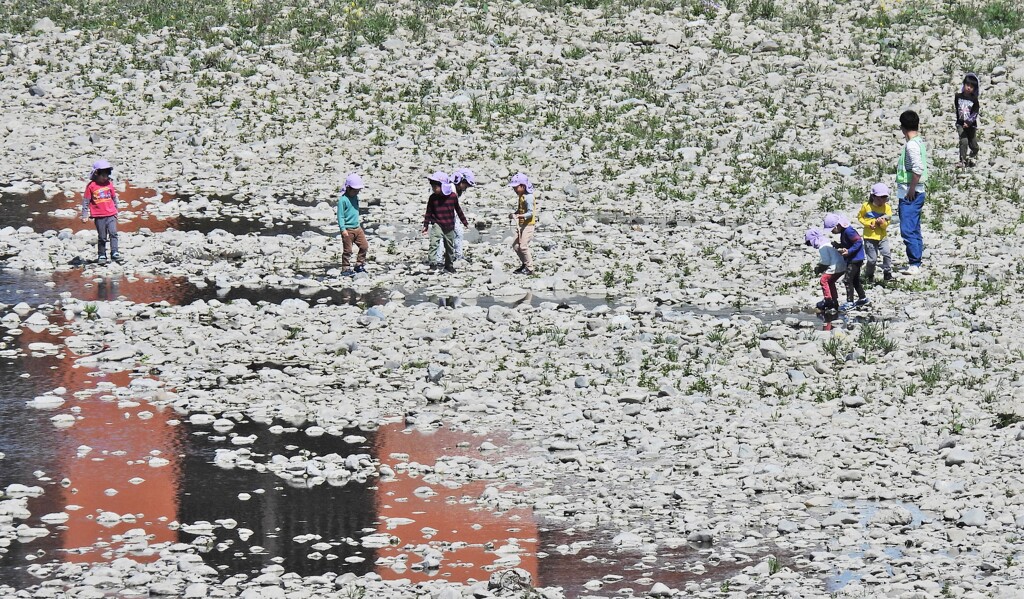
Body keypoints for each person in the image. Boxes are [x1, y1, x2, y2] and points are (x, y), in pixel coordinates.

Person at [896, 110, 928, 276]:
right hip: (916, 191)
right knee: (914, 228)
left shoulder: (911, 145)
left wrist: (911, 190)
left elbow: (917, 170)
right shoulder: (918, 142)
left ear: (903, 127)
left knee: (908, 229)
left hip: (911, 193)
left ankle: (914, 263)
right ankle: (916, 261)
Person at [422, 171, 466, 273]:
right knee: (434, 243)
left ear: (443, 186)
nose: (433, 189)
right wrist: (426, 225)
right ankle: (433, 263)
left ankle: (449, 265)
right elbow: (428, 212)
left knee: (449, 246)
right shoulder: (433, 198)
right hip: (437, 224)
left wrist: (464, 221)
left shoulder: (452, 197)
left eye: (435, 186)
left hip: (449, 225)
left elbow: (458, 209)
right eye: (432, 187)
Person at [80, 159, 121, 264]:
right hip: (99, 216)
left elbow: (114, 198)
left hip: (111, 214)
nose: (105, 178)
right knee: (102, 237)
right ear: (96, 174)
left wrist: (116, 211)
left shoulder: (109, 184)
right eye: (103, 175)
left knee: (113, 233)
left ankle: (114, 252)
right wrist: (84, 214)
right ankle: (102, 254)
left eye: (107, 175)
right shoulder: (91, 186)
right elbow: (86, 201)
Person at [825, 212, 868, 310]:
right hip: (853, 258)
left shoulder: (849, 231)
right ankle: (862, 298)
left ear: (837, 226)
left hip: (855, 259)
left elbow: (858, 242)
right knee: (855, 280)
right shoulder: (844, 232)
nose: (832, 232)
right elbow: (848, 243)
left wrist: (849, 251)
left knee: (847, 279)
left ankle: (850, 302)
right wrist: (839, 246)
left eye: (832, 229)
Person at [434, 168, 475, 264]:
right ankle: (439, 259)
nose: (466, 188)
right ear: (460, 180)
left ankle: (458, 255)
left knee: (458, 233)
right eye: (466, 185)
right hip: (445, 217)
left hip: (452, 216)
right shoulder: (449, 189)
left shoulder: (454, 189)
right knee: (441, 237)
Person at [857, 183, 894, 286]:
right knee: (872, 259)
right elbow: (860, 217)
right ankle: (869, 275)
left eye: (885, 198)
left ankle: (887, 273)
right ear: (873, 196)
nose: (882, 200)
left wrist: (882, 224)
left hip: (882, 236)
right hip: (869, 237)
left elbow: (887, 222)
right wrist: (869, 224)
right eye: (880, 198)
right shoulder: (866, 206)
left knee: (886, 254)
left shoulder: (887, 208)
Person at [805, 228, 845, 313]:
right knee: (830, 282)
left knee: (823, 280)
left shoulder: (823, 247)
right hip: (842, 266)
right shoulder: (827, 243)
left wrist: (819, 268)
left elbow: (826, 261)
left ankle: (828, 300)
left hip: (835, 266)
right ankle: (835, 300)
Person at [337, 173, 368, 276]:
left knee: (364, 246)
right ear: (349, 188)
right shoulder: (343, 200)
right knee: (348, 250)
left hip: (357, 228)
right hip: (348, 229)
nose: (357, 192)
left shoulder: (356, 198)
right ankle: (345, 268)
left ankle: (359, 264)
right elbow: (340, 216)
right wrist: (343, 229)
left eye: (358, 190)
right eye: (355, 190)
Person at [508, 173, 537, 275]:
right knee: (516, 245)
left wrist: (520, 216)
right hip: (521, 224)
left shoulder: (529, 197)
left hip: (528, 225)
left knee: (523, 246)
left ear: (523, 186)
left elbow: (530, 213)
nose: (515, 190)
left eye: (516, 188)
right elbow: (520, 209)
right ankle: (524, 264)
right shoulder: (521, 196)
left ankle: (530, 268)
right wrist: (515, 214)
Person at [954, 73, 980, 168]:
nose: (969, 88)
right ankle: (962, 160)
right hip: (960, 124)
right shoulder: (958, 96)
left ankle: (974, 153)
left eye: (972, 87)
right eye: (967, 85)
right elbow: (957, 108)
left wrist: (968, 122)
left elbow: (975, 113)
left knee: (973, 144)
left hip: (971, 125)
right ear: (964, 84)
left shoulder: (974, 99)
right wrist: (961, 121)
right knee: (963, 140)